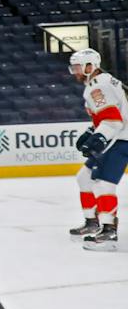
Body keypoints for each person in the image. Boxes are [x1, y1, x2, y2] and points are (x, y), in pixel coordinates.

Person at [68, 47, 126, 250]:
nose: (74, 71)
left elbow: (113, 121)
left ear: (90, 66)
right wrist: (92, 130)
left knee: (103, 184)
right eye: (73, 67)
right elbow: (107, 116)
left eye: (77, 67)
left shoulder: (97, 87)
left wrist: (98, 138)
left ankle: (109, 231)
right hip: (117, 135)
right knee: (84, 178)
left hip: (122, 138)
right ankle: (92, 222)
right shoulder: (101, 82)